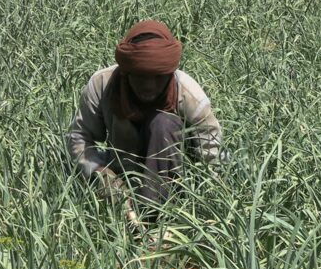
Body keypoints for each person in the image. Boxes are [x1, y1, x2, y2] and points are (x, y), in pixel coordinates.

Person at [67, 20, 222, 224]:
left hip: (174, 180)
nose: (149, 86)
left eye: (158, 77)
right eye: (141, 77)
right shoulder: (102, 85)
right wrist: (101, 173)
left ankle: (154, 220)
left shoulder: (190, 95)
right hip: (122, 170)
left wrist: (205, 211)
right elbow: (79, 136)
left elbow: (213, 158)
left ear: (168, 73)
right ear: (126, 72)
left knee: (163, 123)